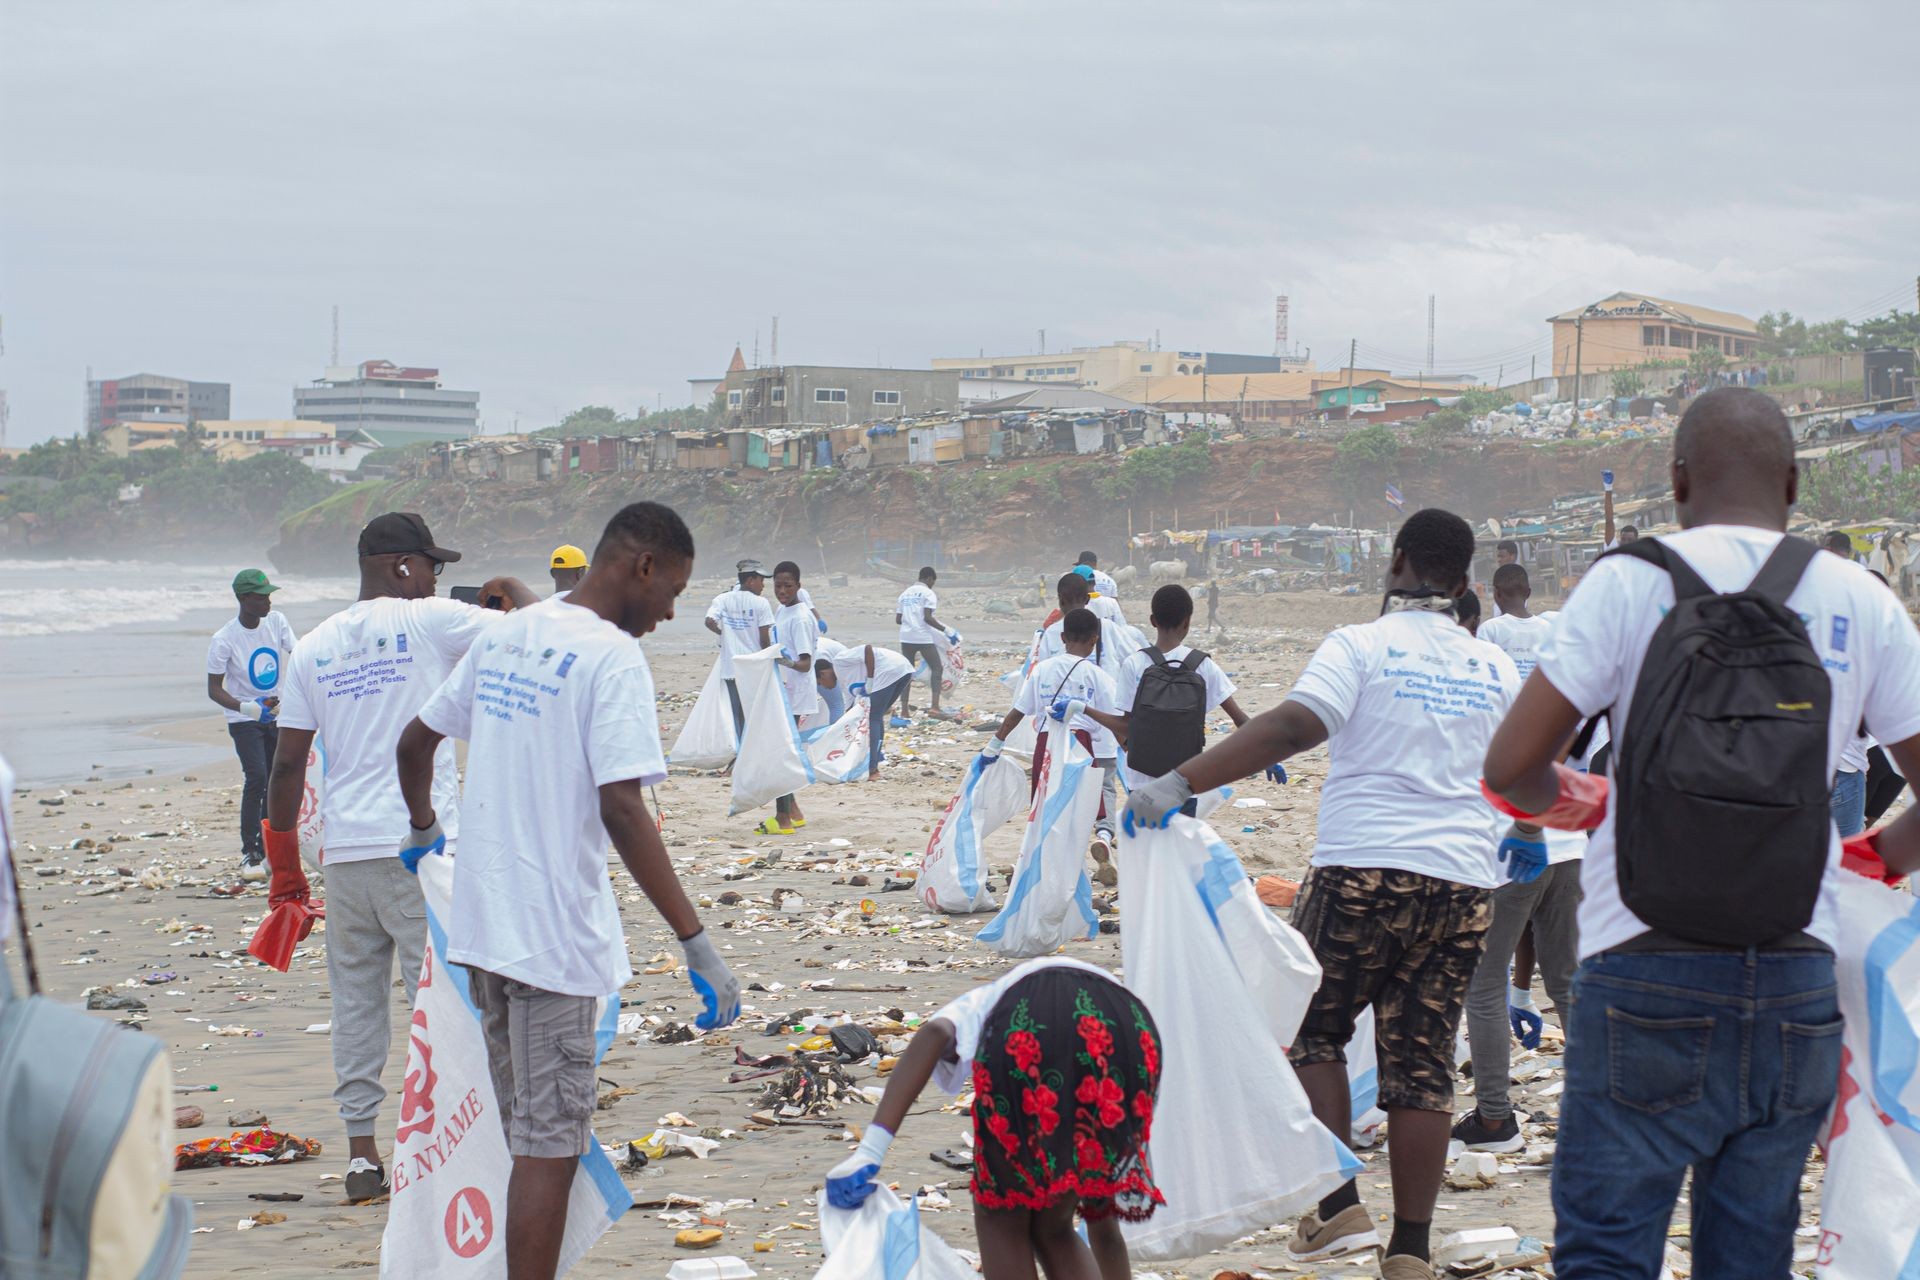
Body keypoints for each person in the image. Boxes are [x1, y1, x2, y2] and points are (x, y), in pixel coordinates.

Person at [1482, 387, 1920, 1278]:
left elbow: (1509, 770)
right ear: (1794, 483)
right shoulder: (1861, 601)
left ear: (1677, 482)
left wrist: (1592, 803)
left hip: (1639, 963)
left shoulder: (1627, 581)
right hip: (1796, 975)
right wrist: (1870, 857)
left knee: (1608, 1251)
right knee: (1750, 1257)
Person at [1127, 509, 1520, 1280]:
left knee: (1310, 1029)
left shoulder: (1362, 644)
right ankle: (1409, 1248)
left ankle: (1338, 1203)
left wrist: (1179, 782)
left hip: (1362, 872)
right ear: (1466, 581)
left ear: (1397, 560)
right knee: (1424, 1066)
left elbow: (1292, 728)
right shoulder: (1494, 668)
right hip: (1464, 886)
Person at [398, 502, 740, 1280]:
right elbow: (622, 807)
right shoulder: (612, 659)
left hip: (483, 937)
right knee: (548, 1146)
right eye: (673, 590)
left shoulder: (510, 632)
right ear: (641, 566)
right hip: (550, 944)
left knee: (528, 1135)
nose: (673, 610)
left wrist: (423, 832)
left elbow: (415, 742)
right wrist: (695, 939)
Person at [263, 512, 536, 1203]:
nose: (436, 580)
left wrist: (285, 869)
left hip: (345, 854)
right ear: (404, 566)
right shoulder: (430, 621)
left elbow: (287, 765)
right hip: (419, 846)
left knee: (356, 1004)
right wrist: (517, 595)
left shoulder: (314, 646)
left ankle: (362, 1155)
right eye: (432, 568)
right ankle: (455, 1146)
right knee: (445, 1001)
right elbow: (531, 634)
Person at [824, 957, 1162, 1280]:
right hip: (1130, 1032)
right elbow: (1106, 1234)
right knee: (1055, 1225)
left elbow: (934, 1034)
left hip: (1029, 1021)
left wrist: (870, 1152)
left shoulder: (984, 1000)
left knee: (1000, 1213)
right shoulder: (1084, 989)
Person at [1453, 562, 1581, 1154]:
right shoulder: (1557, 640)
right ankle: (1594, 1107)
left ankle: (1496, 1117)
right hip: (1567, 832)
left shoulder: (1487, 656)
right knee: (1568, 981)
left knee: (1484, 981)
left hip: (1515, 842)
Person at [1111, 584, 1259, 839]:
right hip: (1185, 778)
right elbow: (1238, 718)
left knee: (1149, 854)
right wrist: (1267, 753)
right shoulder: (1202, 665)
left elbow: (1124, 726)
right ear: (1187, 622)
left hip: (1141, 781)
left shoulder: (1134, 663)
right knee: (1180, 852)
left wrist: (1134, 750)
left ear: (1152, 621)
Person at [983, 609, 1125, 847]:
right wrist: (1128, 748)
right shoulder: (1096, 675)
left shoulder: (1042, 670)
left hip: (1046, 743)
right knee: (1079, 809)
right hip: (1081, 745)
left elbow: (1018, 712)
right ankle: (1084, 851)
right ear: (1094, 640)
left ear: (1062, 638)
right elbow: (1114, 719)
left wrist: (995, 744)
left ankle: (1043, 856)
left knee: (1045, 807)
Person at [205, 568, 297, 882]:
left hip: (277, 714)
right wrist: (248, 708)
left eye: (269, 596)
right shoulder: (224, 639)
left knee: (276, 779)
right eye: (261, 598)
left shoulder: (277, 622)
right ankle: (251, 853)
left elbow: (297, 655)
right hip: (244, 718)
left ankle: (271, 848)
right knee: (256, 777)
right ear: (244, 599)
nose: (268, 602)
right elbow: (214, 689)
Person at [759, 561, 818, 836]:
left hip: (795, 693)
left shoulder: (801, 618)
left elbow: (805, 664)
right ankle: (794, 812)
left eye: (788, 586)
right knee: (783, 751)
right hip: (783, 688)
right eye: (777, 585)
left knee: (781, 753)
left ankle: (782, 820)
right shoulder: (782, 609)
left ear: (798, 586)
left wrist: (783, 661)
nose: (782, 591)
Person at [813, 637, 915, 781]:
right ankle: (875, 758)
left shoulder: (839, 661)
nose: (824, 687)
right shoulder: (845, 686)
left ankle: (872, 769)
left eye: (820, 683)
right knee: (876, 716)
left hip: (890, 667)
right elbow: (850, 712)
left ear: (823, 673)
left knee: (873, 717)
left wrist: (870, 679)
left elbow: (867, 649)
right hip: (902, 671)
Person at [704, 559, 775, 737]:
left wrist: (723, 633)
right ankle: (746, 753)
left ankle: (737, 752)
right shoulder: (761, 603)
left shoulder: (723, 599)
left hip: (730, 668)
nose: (763, 585)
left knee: (734, 713)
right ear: (750, 580)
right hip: (752, 668)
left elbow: (709, 621)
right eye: (761, 580)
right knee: (751, 712)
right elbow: (764, 640)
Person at [896, 566, 957, 721]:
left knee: (907, 673)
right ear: (930, 579)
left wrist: (910, 621)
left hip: (906, 637)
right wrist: (946, 630)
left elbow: (898, 619)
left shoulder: (904, 594)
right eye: (932, 582)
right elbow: (928, 618)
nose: (932, 585)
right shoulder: (928, 593)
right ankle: (935, 708)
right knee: (937, 668)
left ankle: (904, 711)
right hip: (922, 638)